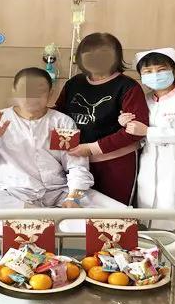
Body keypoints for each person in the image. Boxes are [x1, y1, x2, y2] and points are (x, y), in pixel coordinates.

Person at [0, 67, 127, 232]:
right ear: (14, 91)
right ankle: (48, 217)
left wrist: (74, 198)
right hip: (14, 192)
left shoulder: (61, 122)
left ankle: (49, 218)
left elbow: (76, 165)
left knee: (117, 211)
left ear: (50, 93)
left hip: (57, 192)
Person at [53, 32, 150, 206]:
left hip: (115, 163)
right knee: (76, 211)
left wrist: (92, 149)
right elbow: (59, 116)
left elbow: (135, 131)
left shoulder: (127, 87)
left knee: (112, 213)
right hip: (76, 164)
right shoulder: (74, 83)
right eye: (89, 54)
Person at [118, 48, 175, 232]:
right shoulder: (144, 100)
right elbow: (138, 136)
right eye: (148, 71)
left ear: (173, 70)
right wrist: (126, 123)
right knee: (150, 223)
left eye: (161, 70)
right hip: (150, 166)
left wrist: (149, 132)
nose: (155, 75)